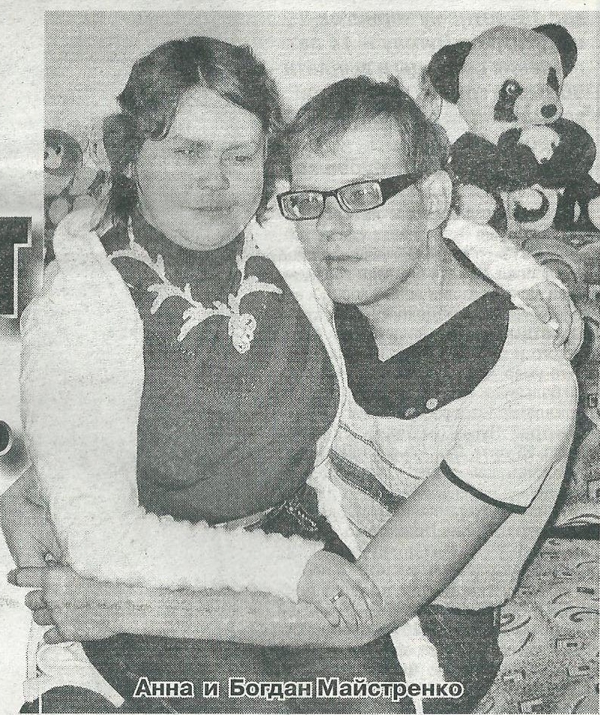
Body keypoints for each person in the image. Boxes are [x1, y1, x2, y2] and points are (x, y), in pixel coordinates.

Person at [2, 45, 579, 715]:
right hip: (232, 564)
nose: (214, 182)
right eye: (186, 152)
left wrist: (531, 276)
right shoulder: (102, 297)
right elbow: (381, 217)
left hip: (372, 590)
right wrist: (40, 488)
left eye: (240, 156)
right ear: (129, 155)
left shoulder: (293, 253)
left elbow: (366, 606)